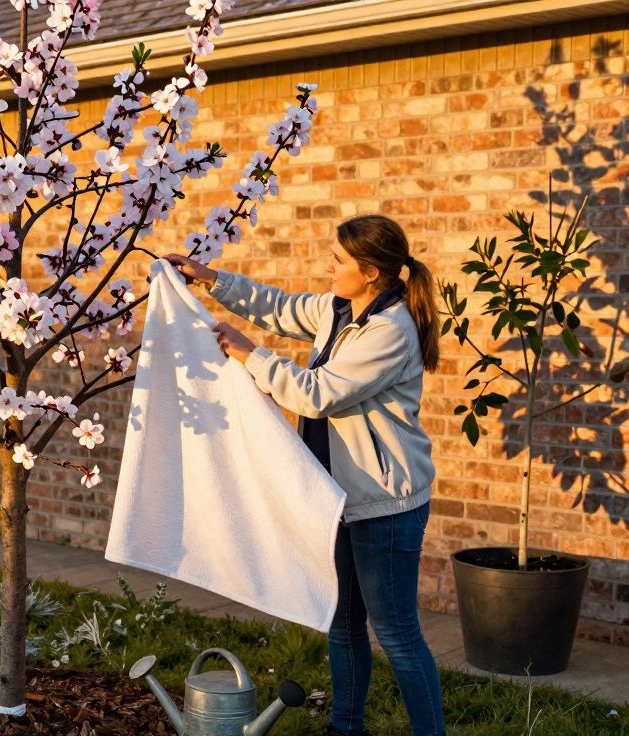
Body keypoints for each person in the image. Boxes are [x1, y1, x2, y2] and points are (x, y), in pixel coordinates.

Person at [162, 214, 446, 736]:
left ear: (369, 271)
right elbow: (279, 306)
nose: (327, 266)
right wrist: (212, 279)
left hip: (384, 506)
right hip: (336, 497)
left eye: (338, 260)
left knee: (398, 635)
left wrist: (250, 355)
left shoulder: (390, 330)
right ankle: (345, 727)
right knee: (342, 623)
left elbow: (317, 394)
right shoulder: (339, 309)